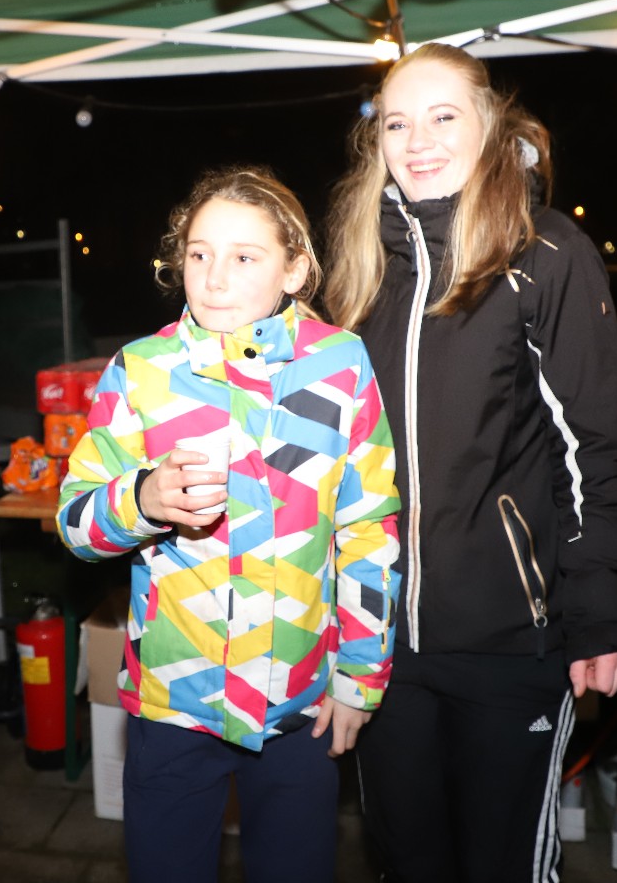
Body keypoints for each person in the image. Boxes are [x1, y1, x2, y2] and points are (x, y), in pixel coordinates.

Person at [325, 43, 617, 882]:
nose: (418, 141)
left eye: (443, 117)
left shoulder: (545, 253)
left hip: (510, 640)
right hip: (380, 647)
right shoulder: (361, 266)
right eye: (397, 123)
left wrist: (601, 606)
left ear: (490, 127)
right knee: (406, 862)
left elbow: (595, 446)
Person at [56, 167, 401, 883]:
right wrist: (141, 500)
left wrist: (359, 679)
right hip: (173, 704)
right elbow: (75, 523)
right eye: (199, 253)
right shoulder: (140, 371)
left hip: (300, 705)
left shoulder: (340, 364)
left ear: (294, 269)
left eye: (245, 256)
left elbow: (369, 530)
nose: (214, 277)